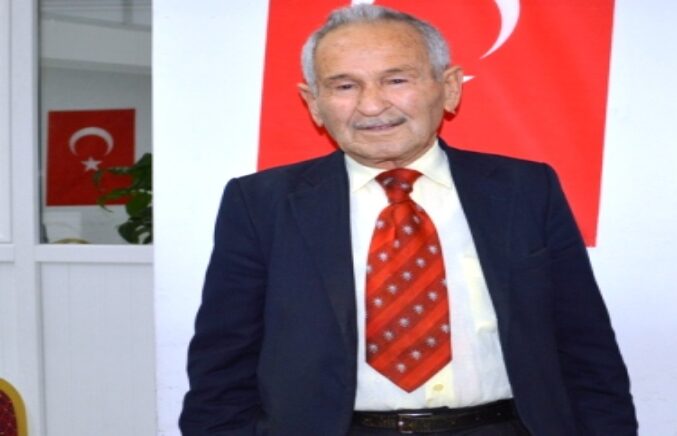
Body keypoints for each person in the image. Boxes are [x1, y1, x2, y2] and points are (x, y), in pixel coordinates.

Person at [180, 5, 637, 436]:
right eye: (344, 86)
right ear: (314, 102)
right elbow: (223, 367)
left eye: (396, 80)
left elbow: (585, 348)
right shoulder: (260, 204)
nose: (372, 105)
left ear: (450, 87)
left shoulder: (525, 189)